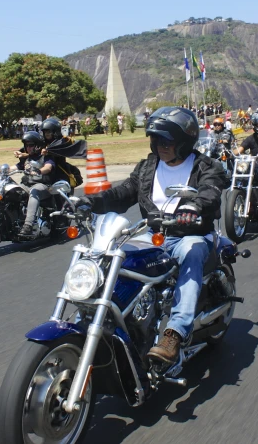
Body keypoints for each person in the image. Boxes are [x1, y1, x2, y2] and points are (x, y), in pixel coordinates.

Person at [78, 107, 227, 364]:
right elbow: (123, 192)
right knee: (115, 256)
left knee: (192, 254)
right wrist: (88, 202)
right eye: (155, 139)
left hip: (189, 235)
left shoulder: (206, 165)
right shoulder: (148, 166)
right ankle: (115, 318)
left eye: (167, 140)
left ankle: (175, 332)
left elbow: (211, 190)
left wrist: (194, 206)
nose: (160, 146)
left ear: (183, 141)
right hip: (154, 234)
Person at [15, 131, 58, 236]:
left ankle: (28, 225)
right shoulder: (27, 158)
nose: (28, 148)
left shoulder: (46, 156)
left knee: (34, 192)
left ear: (37, 145)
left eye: (30, 145)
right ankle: (15, 222)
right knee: (13, 190)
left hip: (43, 186)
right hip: (27, 184)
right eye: (26, 145)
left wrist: (39, 171)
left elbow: (48, 167)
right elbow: (15, 167)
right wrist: (0, 170)